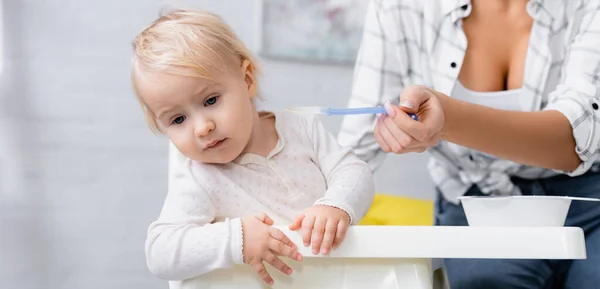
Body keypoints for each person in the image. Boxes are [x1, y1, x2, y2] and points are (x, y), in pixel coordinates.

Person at [338, 0, 600, 288]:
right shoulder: (400, 7)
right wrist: (300, 223)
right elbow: (353, 151)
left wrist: (447, 118)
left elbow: (575, 138)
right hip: (475, 203)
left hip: (591, 201)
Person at [131, 8, 375, 287]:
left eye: (210, 100)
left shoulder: (302, 129)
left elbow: (354, 171)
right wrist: (237, 239)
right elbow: (161, 253)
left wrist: (336, 206)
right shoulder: (200, 178)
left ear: (246, 80)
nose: (202, 127)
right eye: (178, 119)